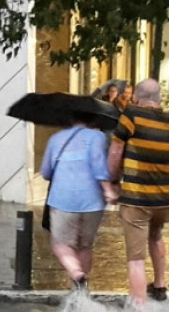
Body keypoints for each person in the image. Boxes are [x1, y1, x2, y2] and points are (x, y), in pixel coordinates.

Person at [108, 78, 169, 306]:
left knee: (135, 257)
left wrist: (112, 180)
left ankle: (140, 310)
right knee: (156, 235)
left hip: (138, 198)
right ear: (158, 99)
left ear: (137, 98)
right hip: (165, 199)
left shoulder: (131, 115)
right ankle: (160, 286)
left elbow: (116, 150)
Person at [40, 111, 118, 290]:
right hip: (92, 202)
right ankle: (80, 292)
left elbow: (45, 172)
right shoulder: (98, 136)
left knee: (61, 244)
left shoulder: (56, 139)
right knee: (85, 245)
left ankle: (76, 273)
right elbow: (99, 164)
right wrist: (108, 189)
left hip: (62, 200)